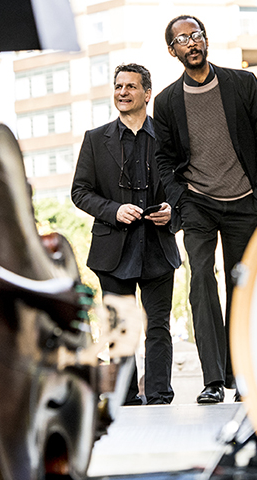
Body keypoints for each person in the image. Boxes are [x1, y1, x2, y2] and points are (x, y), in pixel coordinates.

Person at [153, 15, 257, 404]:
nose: (191, 43)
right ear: (172, 51)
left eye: (196, 35)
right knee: (201, 285)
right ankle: (212, 380)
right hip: (198, 206)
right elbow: (163, 160)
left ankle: (243, 374)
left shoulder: (242, 84)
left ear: (206, 40)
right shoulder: (167, 102)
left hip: (246, 202)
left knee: (243, 287)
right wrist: (181, 201)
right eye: (182, 40)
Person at [71, 63, 182, 405]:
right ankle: (127, 396)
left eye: (131, 87)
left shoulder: (169, 140)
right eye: (118, 86)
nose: (122, 92)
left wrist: (171, 213)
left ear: (147, 94)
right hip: (112, 248)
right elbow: (80, 192)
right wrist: (113, 211)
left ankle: (161, 394)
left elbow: (183, 190)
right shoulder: (94, 139)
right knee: (121, 327)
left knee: (158, 327)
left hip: (158, 246)